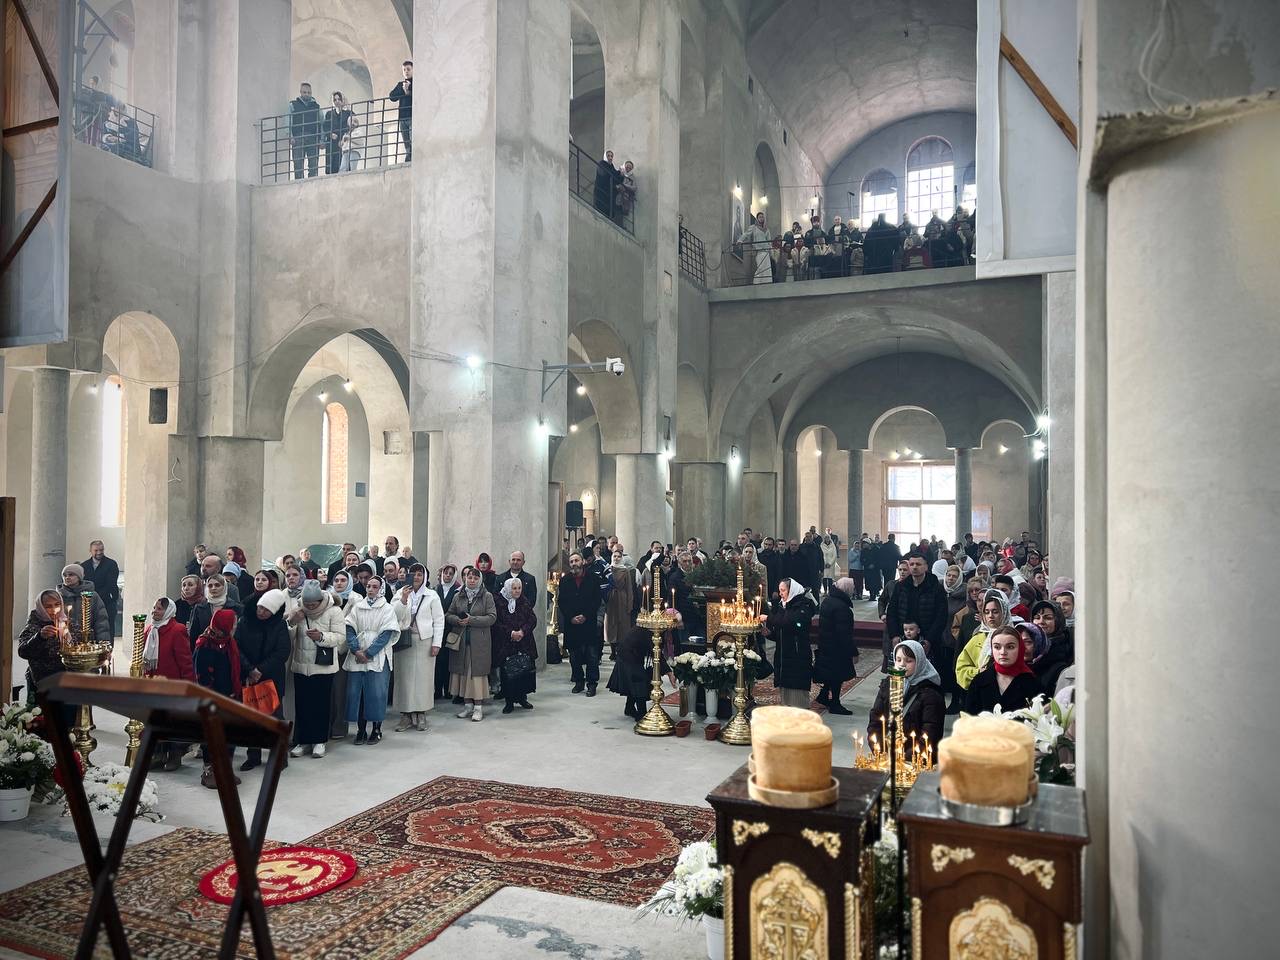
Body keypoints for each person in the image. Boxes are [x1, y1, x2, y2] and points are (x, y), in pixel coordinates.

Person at [235, 588, 291, 771]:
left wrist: (261, 669)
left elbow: (282, 651)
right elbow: (236, 647)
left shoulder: (279, 625)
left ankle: (279, 755)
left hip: (271, 678)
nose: (261, 612)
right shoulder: (244, 622)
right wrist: (250, 669)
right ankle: (253, 756)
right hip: (250, 677)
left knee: (275, 718)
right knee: (251, 718)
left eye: (267, 610)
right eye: (260, 608)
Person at [287, 580, 343, 758]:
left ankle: (319, 741)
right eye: (307, 603)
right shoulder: (298, 610)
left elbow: (340, 637)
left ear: (320, 600)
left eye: (313, 603)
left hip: (323, 667)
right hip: (301, 665)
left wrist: (321, 637)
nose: (310, 606)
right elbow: (287, 637)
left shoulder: (334, 610)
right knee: (302, 705)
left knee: (321, 705)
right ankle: (303, 741)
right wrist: (292, 622)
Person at [343, 574, 398, 743]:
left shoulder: (387, 608)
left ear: (381, 589)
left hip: (377, 655)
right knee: (358, 693)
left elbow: (387, 633)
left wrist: (369, 653)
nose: (371, 589)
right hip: (358, 654)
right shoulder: (358, 607)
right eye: (368, 586)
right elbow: (349, 628)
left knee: (376, 693)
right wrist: (356, 649)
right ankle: (360, 730)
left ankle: (376, 729)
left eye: (375, 587)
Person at [867, 639, 945, 758]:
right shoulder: (888, 684)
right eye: (898, 660)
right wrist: (879, 748)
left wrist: (905, 758)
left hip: (916, 759)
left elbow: (931, 732)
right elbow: (876, 718)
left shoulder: (930, 693)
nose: (902, 664)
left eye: (909, 661)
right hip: (888, 754)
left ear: (919, 662)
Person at [391, 564, 446, 730]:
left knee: (423, 679)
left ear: (424, 577)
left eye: (420, 574)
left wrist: (437, 643)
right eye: (413, 574)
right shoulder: (400, 593)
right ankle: (406, 715)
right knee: (404, 679)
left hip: (424, 641)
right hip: (404, 641)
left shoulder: (432, 595)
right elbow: (393, 615)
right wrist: (404, 599)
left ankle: (421, 713)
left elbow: (439, 621)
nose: (416, 577)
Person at [193, 608, 243, 789]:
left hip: (231, 697)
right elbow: (202, 676)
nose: (235, 626)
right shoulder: (205, 644)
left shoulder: (229, 642)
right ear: (223, 626)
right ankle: (209, 771)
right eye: (233, 624)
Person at [445, 565, 498, 720]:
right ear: (465, 579)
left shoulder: (487, 596)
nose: (472, 580)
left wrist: (472, 620)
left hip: (479, 643)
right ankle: (468, 706)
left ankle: (478, 708)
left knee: (476, 675)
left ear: (480, 580)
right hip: (461, 642)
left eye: (475, 578)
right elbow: (448, 615)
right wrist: (458, 620)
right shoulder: (458, 596)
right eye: (469, 577)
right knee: (463, 675)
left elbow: (492, 617)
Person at [761, 578, 817, 709]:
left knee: (797, 693)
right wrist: (769, 634)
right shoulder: (784, 605)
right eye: (780, 590)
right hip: (784, 656)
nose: (781, 593)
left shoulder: (802, 606)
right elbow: (782, 632)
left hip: (797, 655)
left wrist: (769, 618)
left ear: (791, 591)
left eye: (783, 590)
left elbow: (791, 623)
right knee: (785, 691)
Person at [17, 590, 71, 721]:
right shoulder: (33, 626)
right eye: (48, 606)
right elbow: (23, 651)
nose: (53, 610)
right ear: (41, 607)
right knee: (47, 722)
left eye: (57, 604)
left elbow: (80, 644)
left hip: (67, 681)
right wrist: (40, 637)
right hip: (43, 682)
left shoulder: (69, 623)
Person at [963, 626, 1042, 714]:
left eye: (1010, 647)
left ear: (1020, 649)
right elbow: (969, 717)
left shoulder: (1032, 682)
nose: (1003, 652)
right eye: (997, 647)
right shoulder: (979, 680)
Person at [558, 552, 604, 695]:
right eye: (571, 561)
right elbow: (562, 602)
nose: (574, 564)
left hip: (588, 622)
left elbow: (597, 600)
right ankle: (579, 681)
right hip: (572, 624)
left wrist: (585, 615)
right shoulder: (565, 580)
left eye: (576, 560)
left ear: (582, 562)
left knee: (592, 655)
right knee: (574, 656)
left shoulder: (593, 578)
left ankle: (592, 683)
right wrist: (571, 617)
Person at [494, 577, 538, 714]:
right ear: (508, 589)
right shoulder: (499, 601)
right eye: (514, 588)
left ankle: (522, 698)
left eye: (519, 588)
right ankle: (509, 702)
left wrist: (522, 631)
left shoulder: (524, 601)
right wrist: (511, 633)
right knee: (508, 673)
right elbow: (496, 622)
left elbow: (532, 619)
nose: (517, 591)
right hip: (506, 643)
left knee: (524, 671)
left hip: (524, 641)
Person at [954, 588, 1013, 690]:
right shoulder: (978, 638)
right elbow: (961, 669)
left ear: (1004, 612)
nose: (990, 616)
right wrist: (978, 672)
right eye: (986, 612)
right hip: (980, 691)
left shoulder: (1014, 637)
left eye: (995, 612)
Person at [813, 577, 856, 714]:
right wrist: (853, 651)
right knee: (837, 675)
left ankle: (824, 695)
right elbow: (844, 633)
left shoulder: (828, 600)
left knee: (829, 673)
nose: (853, 591)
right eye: (852, 588)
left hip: (826, 643)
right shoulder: (842, 608)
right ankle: (835, 703)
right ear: (846, 589)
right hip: (837, 648)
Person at [607, 625, 668, 719]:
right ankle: (642, 715)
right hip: (628, 656)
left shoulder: (652, 627)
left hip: (632, 655)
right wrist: (669, 672)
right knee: (639, 684)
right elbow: (656, 652)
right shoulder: (651, 629)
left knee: (635, 684)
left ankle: (629, 708)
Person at [59, 563, 112, 644]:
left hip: (88, 641)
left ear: (79, 577)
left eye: (71, 575)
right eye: (64, 575)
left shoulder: (92, 596)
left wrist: (103, 641)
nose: (67, 577)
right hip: (64, 641)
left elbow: (101, 621)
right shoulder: (59, 596)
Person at [188, 573, 242, 653]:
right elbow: (193, 633)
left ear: (224, 587)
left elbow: (240, 633)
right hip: (205, 650)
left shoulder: (236, 608)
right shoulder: (199, 608)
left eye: (217, 585)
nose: (213, 588)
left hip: (228, 651)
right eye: (210, 586)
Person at [1029, 599, 1074, 694]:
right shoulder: (1027, 644)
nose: (1041, 622)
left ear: (1058, 620)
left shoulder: (1068, 645)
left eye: (1048, 618)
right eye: (1037, 617)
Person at [81, 541, 120, 637]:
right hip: (89, 604)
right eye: (96, 550)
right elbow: (83, 584)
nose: (99, 552)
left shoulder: (111, 564)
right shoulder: (84, 566)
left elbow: (111, 584)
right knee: (89, 630)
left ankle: (108, 647)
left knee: (108, 629)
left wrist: (95, 597)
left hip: (107, 602)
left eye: (101, 550)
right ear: (90, 550)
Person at [435, 565, 463, 701]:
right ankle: (437, 689)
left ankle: (448, 690)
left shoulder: (457, 590)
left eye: (451, 574)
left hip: (451, 629)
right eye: (445, 573)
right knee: (437, 661)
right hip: (437, 629)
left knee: (448, 661)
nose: (447, 576)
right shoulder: (436, 589)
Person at [604, 548, 635, 659]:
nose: (616, 558)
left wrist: (629, 604)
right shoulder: (608, 569)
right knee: (611, 624)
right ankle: (612, 650)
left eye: (619, 556)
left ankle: (620, 650)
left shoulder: (625, 570)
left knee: (623, 625)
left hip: (622, 599)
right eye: (615, 556)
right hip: (611, 599)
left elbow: (629, 588)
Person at [288, 82, 321, 179]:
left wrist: (321, 139)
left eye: (309, 92)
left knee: (313, 163)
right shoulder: (293, 105)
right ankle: (299, 182)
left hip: (313, 137)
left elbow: (321, 123)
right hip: (298, 136)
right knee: (298, 163)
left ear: (311, 93)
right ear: (300, 92)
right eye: (304, 92)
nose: (307, 94)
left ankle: (313, 181)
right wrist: (290, 136)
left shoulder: (316, 106)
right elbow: (288, 121)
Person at [323, 91, 359, 174]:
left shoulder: (349, 113)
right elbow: (325, 127)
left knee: (344, 165)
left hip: (344, 142)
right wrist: (330, 134)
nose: (337, 101)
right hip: (332, 143)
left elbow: (354, 126)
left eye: (339, 99)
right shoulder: (329, 114)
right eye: (335, 100)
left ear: (343, 100)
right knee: (332, 166)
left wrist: (345, 137)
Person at [737, 210, 773, 284]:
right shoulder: (753, 227)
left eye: (762, 217)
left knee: (767, 268)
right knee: (760, 267)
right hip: (758, 251)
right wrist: (740, 240)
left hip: (766, 251)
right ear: (757, 218)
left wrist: (771, 251)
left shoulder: (767, 229)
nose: (761, 218)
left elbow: (769, 241)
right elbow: (746, 234)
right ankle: (757, 282)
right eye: (760, 217)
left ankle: (767, 282)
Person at [388, 61, 413, 161]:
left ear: (413, 70)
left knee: (412, 138)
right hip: (402, 117)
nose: (406, 72)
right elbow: (392, 96)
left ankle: (412, 155)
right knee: (406, 140)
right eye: (404, 70)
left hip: (412, 116)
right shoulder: (400, 85)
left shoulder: (416, 83)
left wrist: (409, 89)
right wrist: (404, 91)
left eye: (408, 69)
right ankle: (408, 155)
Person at [594, 148, 619, 218]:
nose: (610, 158)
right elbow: (604, 174)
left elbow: (615, 177)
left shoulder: (611, 166)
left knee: (609, 207)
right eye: (608, 156)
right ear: (605, 156)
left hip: (609, 191)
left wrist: (620, 174)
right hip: (601, 190)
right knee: (602, 206)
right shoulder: (601, 164)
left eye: (611, 156)